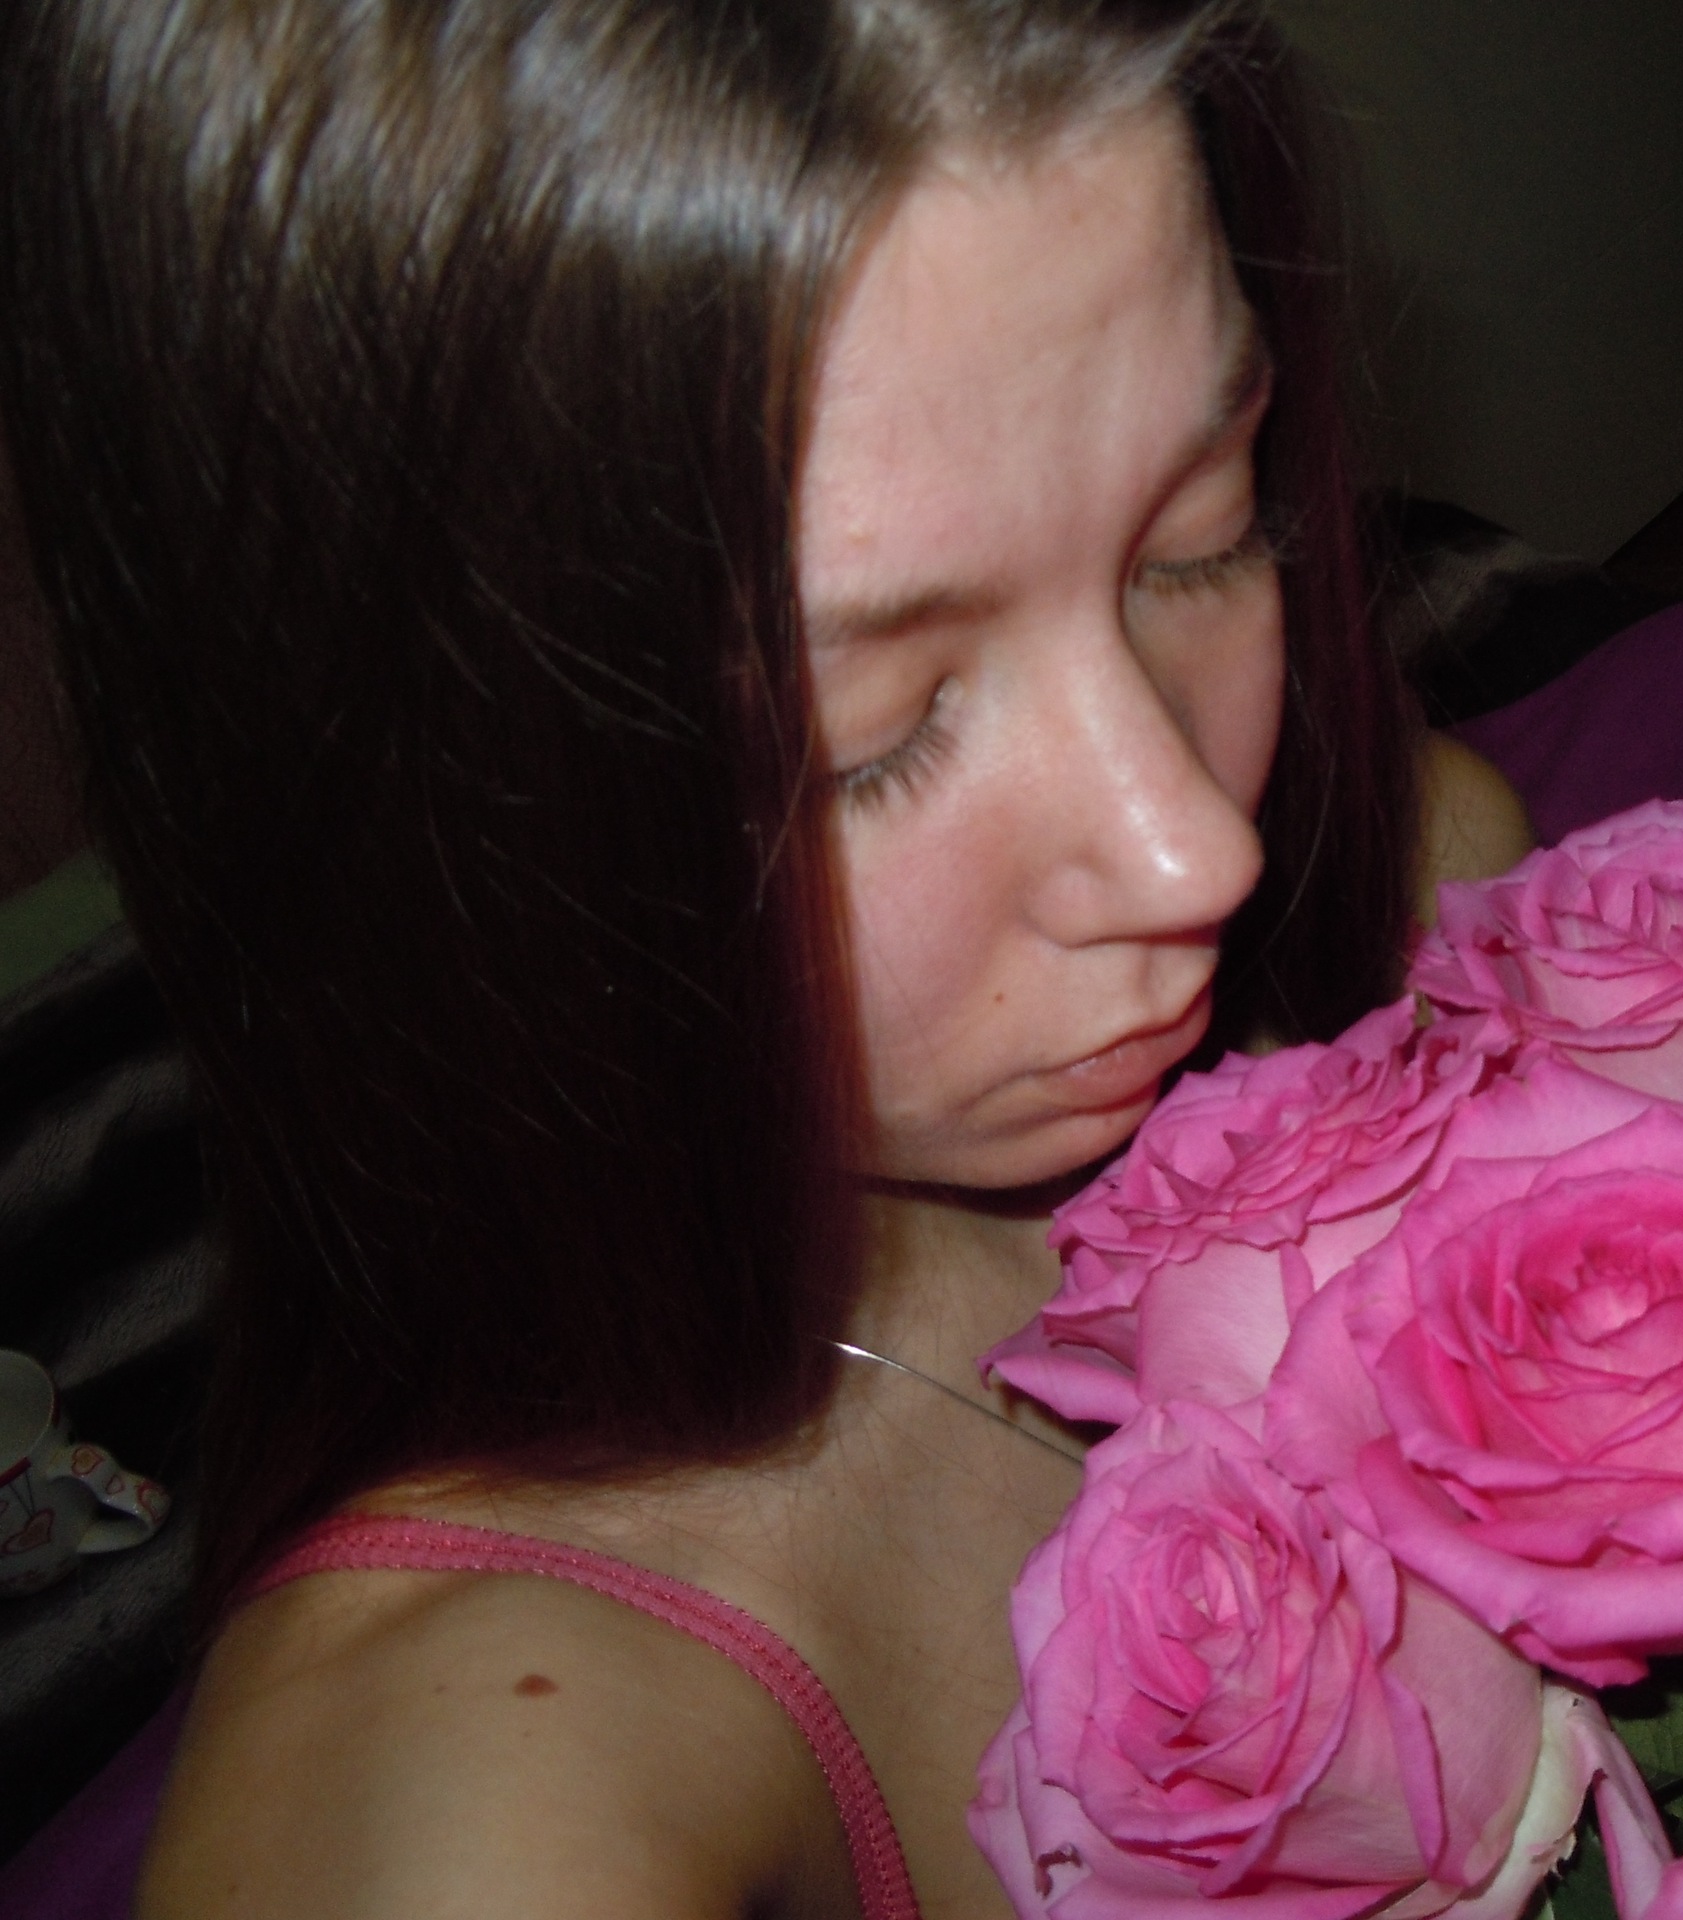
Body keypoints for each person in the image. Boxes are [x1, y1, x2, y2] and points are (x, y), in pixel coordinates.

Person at [0, 1, 1534, 1913]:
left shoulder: (1403, 919)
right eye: (865, 739)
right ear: (400, 820)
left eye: (1199, 538)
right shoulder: (483, 1825)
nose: (1193, 849)